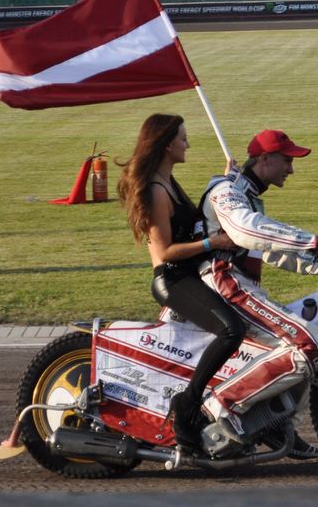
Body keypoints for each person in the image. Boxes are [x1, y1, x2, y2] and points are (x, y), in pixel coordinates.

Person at [198, 129, 318, 459]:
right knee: (308, 344)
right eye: (287, 161)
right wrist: (308, 240)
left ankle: (272, 424)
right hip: (222, 281)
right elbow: (248, 229)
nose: (291, 169)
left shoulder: (250, 194)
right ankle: (222, 403)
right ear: (265, 159)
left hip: (239, 284)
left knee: (315, 334)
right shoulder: (226, 190)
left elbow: (267, 249)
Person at [116, 114, 245, 449]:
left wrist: (227, 179)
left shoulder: (168, 181)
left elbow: (199, 216)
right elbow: (166, 251)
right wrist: (212, 244)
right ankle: (186, 405)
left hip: (189, 273)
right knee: (232, 330)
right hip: (173, 279)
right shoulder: (157, 191)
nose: (188, 143)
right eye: (183, 138)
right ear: (167, 144)